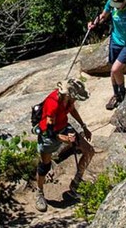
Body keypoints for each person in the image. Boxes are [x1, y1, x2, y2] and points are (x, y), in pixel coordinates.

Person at [33, 78, 94, 212]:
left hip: (63, 127)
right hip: (48, 135)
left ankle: (76, 184)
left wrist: (83, 126)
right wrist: (64, 139)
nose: (76, 101)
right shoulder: (53, 103)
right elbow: (49, 131)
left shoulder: (68, 100)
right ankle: (39, 192)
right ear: (68, 94)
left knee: (89, 151)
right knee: (45, 166)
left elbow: (72, 110)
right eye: (75, 98)